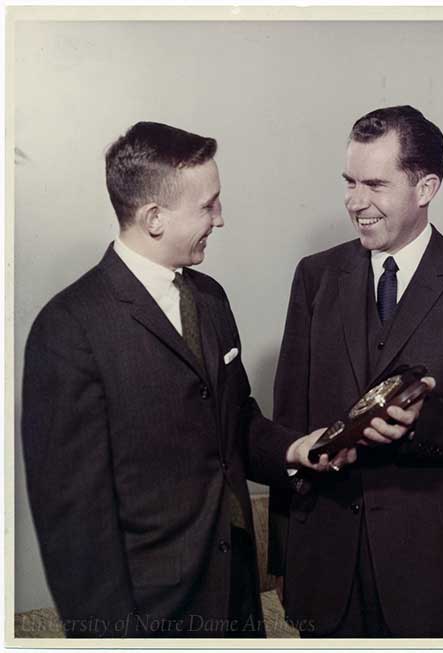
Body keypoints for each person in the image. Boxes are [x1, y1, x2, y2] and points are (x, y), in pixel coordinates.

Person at [21, 121, 364, 638]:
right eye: (208, 205)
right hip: (151, 617)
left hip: (235, 600)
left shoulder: (209, 298)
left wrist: (294, 449)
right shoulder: (68, 329)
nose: (220, 219)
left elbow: (235, 421)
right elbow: (73, 527)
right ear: (154, 218)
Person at [267, 105, 443, 637]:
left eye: (375, 184)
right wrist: (286, 558)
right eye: (350, 182)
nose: (355, 202)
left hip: (430, 574)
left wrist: (425, 423)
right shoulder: (315, 277)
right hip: (325, 566)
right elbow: (288, 420)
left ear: (426, 187)